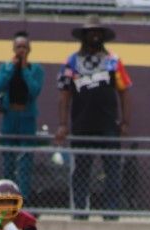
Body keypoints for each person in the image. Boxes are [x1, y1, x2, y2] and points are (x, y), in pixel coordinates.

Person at [56, 16, 133, 218]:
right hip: (81, 125)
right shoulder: (71, 62)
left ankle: (111, 213)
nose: (95, 35)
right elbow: (64, 95)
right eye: (91, 32)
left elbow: (124, 92)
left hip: (108, 125)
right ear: (84, 35)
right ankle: (80, 212)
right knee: (80, 171)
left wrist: (125, 121)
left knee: (112, 170)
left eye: (98, 32)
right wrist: (63, 124)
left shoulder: (114, 61)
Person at [0, 30, 45, 201]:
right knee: (8, 159)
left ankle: (24, 199)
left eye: (24, 47)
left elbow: (35, 90)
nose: (21, 50)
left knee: (25, 162)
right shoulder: (5, 67)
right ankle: (7, 197)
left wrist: (24, 70)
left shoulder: (35, 69)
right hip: (10, 118)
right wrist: (11, 70)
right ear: (13, 49)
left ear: (29, 49)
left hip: (27, 118)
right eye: (18, 47)